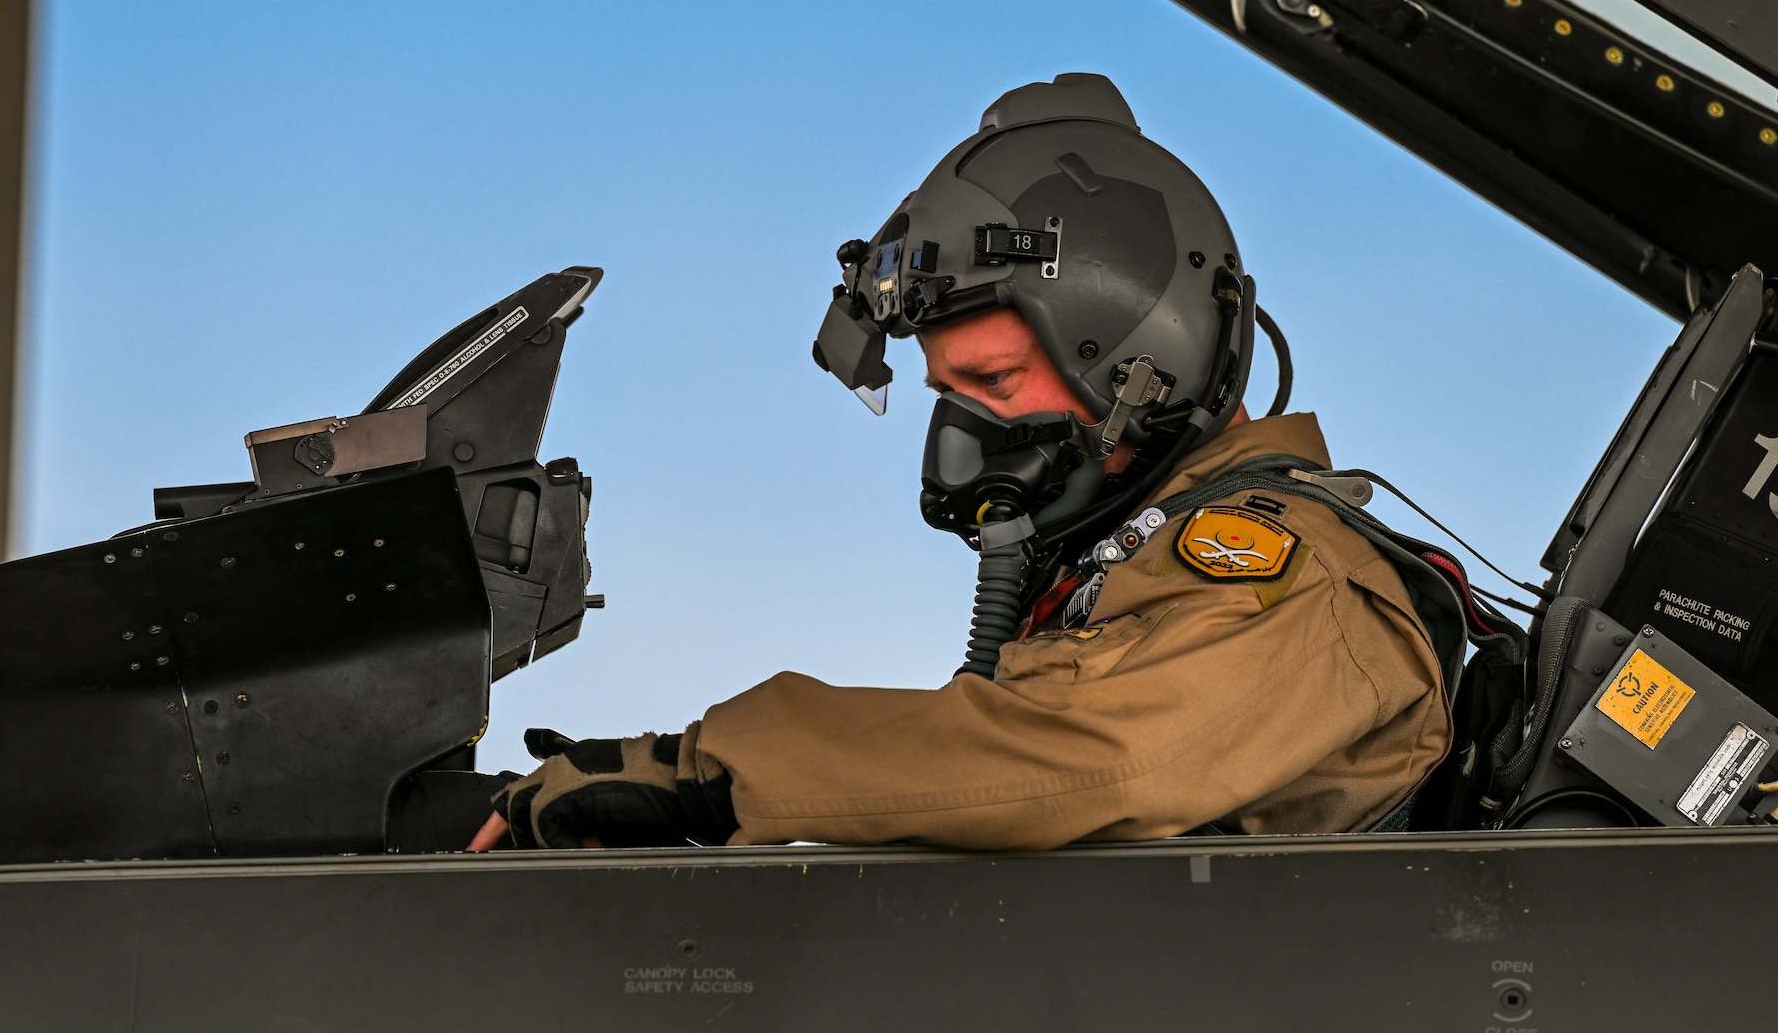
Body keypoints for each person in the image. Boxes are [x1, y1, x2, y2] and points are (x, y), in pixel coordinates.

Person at [469, 73, 1453, 852]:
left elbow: (1094, 759)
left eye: (995, 377)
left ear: (1139, 359)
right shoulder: (1128, 569)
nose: (962, 434)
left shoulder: (1292, 574)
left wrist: (705, 769)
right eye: (946, 392)